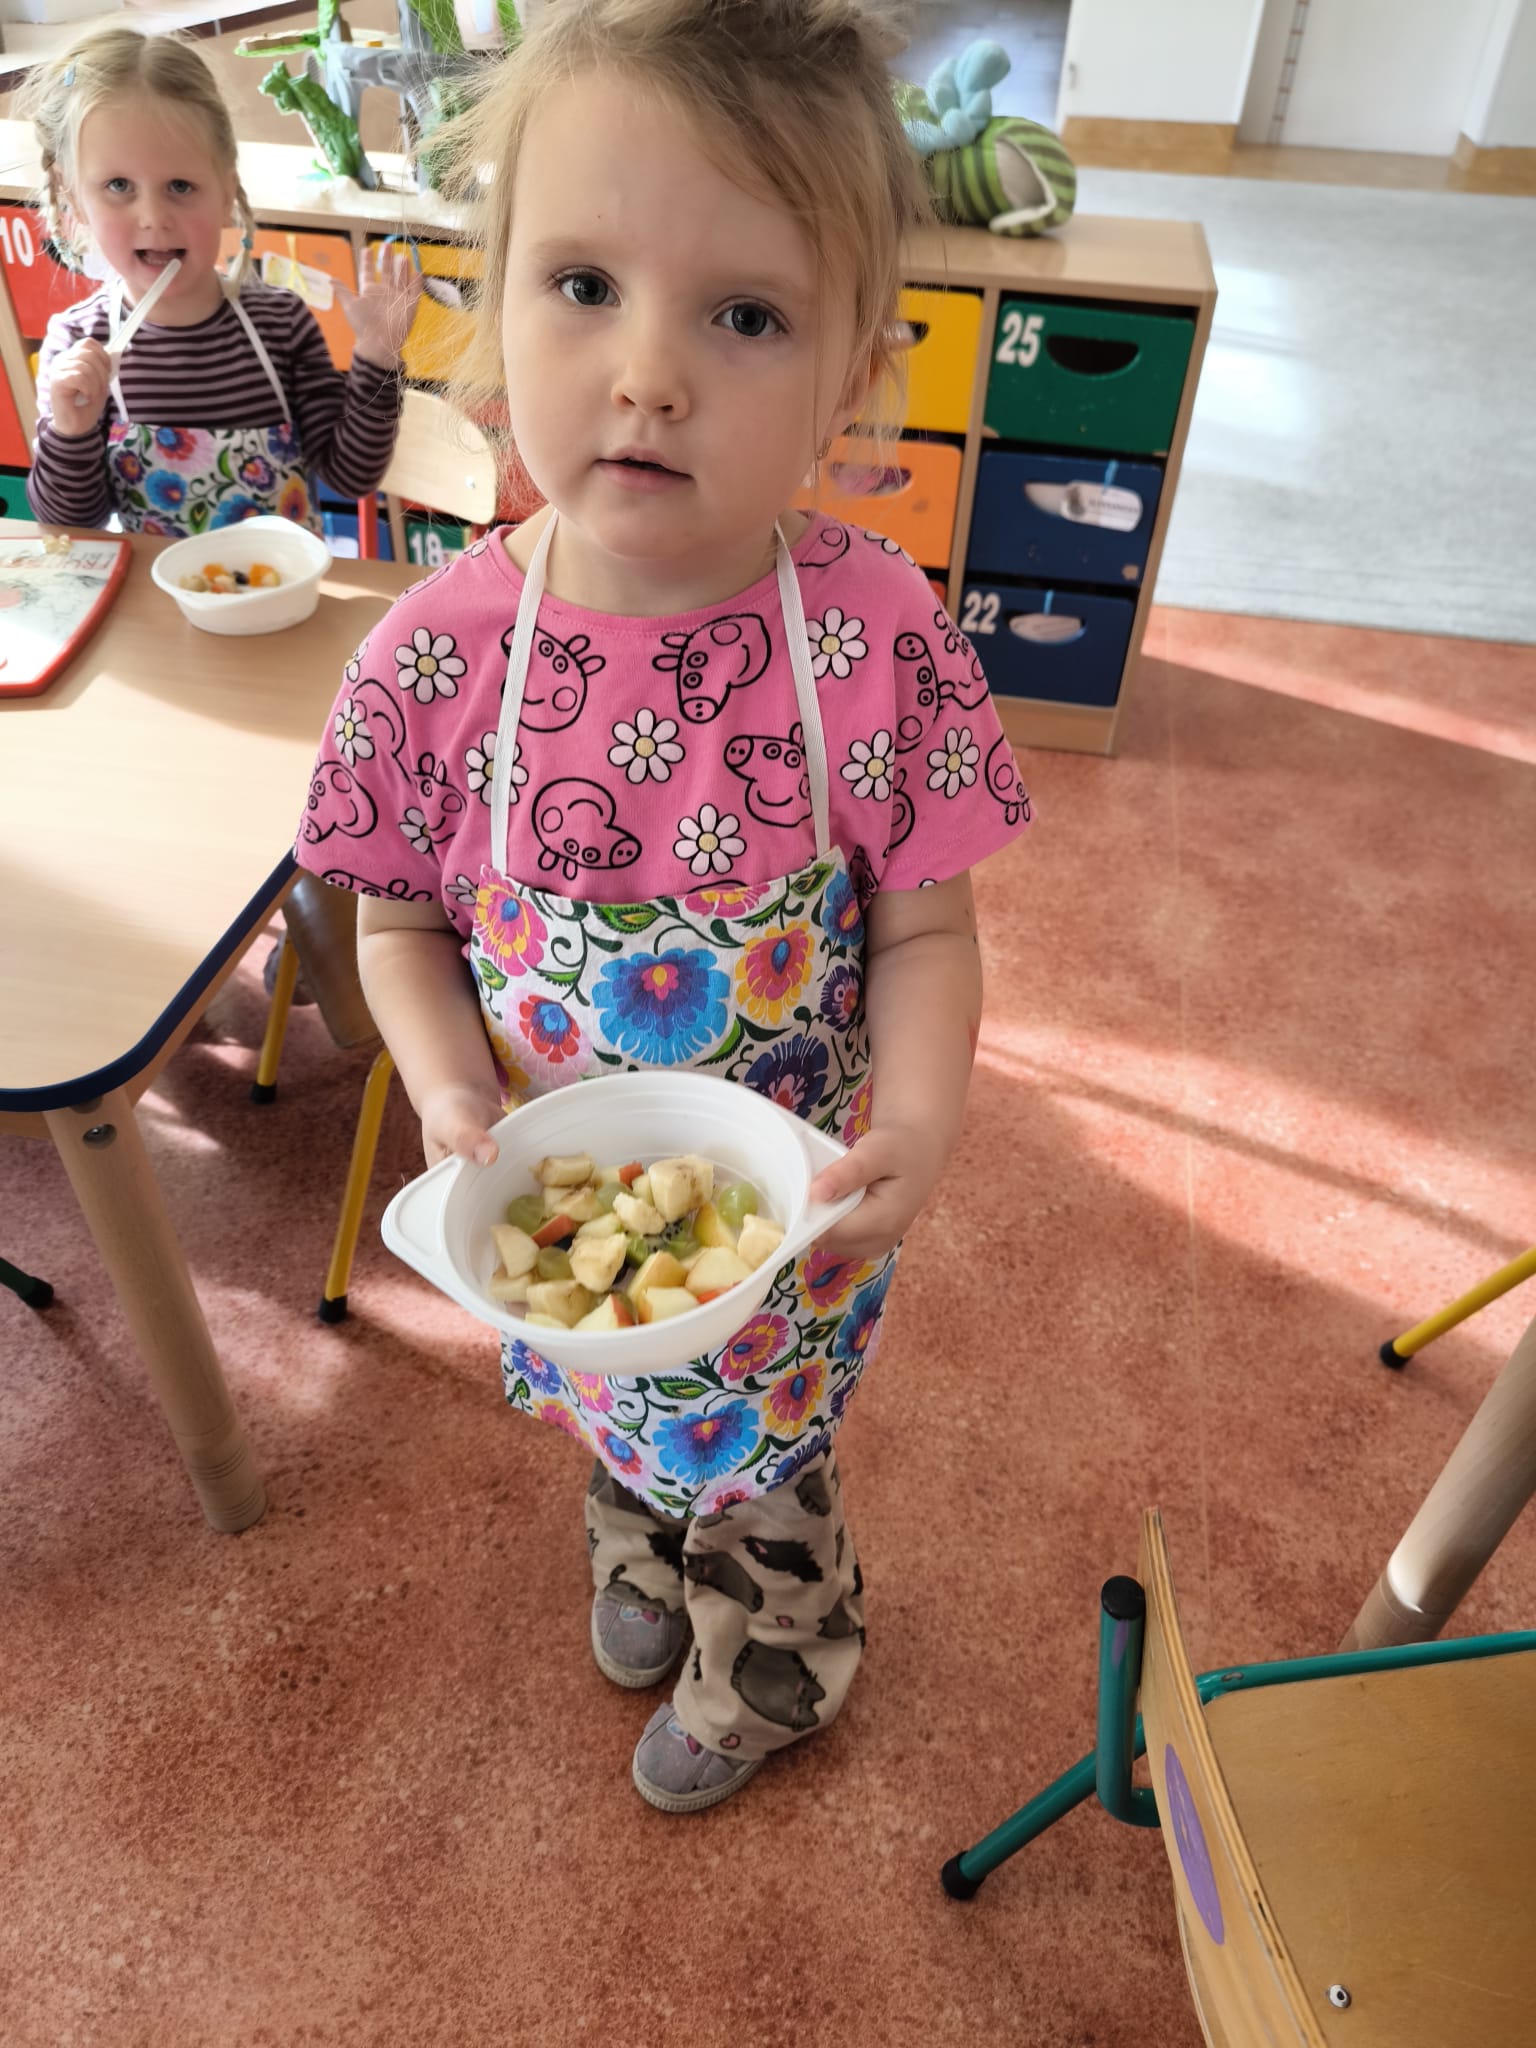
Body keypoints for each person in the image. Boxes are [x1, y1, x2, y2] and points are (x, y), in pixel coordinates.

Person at [294, 0, 1033, 1814]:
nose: (648, 374)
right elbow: (396, 924)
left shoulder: (874, 638)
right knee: (619, 1415)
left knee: (766, 1473)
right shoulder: (434, 656)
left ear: (852, 376)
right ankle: (638, 1535)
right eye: (582, 285)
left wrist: (924, 1123)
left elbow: (928, 929)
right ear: (490, 304)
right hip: (573, 1233)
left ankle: (778, 1654)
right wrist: (448, 1087)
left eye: (746, 316)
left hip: (792, 1236)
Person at [20, 28, 420, 536]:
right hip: (156, 589)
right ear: (74, 198)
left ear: (227, 190)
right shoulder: (79, 343)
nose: (154, 217)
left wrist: (378, 359)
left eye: (180, 186)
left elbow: (351, 476)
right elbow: (72, 524)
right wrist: (70, 431)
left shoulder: (281, 325)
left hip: (281, 585)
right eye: (118, 185)